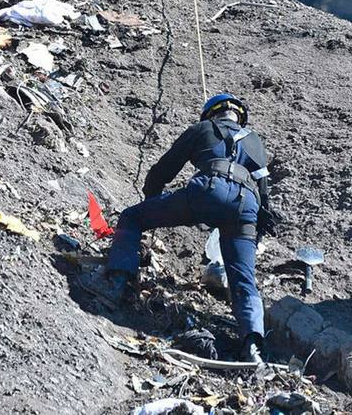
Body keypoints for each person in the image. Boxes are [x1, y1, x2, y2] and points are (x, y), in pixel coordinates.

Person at [79, 93, 275, 364]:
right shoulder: (256, 143)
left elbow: (164, 169)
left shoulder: (202, 129)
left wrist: (152, 201)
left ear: (211, 113)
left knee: (132, 218)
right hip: (246, 207)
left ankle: (115, 285)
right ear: (239, 117)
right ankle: (253, 347)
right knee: (244, 279)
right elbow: (265, 199)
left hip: (209, 190)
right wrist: (254, 234)